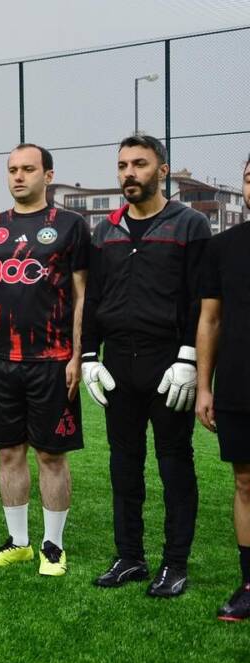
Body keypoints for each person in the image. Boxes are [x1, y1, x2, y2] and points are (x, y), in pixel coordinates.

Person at [82, 133, 210, 597]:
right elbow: (94, 297)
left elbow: (201, 298)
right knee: (124, 463)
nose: (128, 173)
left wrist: (189, 358)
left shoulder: (189, 224)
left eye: (139, 164)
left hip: (168, 364)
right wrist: (89, 356)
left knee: (174, 463)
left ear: (162, 170)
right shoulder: (105, 230)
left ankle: (174, 564)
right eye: (122, 165)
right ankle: (129, 557)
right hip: (118, 362)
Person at [0, 144, 89, 577]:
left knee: (51, 456)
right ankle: (18, 542)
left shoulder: (71, 226)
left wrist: (78, 355)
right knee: (8, 453)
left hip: (53, 360)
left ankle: (53, 546)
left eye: (28, 169)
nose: (18, 176)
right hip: (1, 361)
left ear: (48, 174)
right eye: (12, 170)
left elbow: (81, 296)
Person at [196, 155, 250, 621]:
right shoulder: (224, 247)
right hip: (239, 381)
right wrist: (204, 386)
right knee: (246, 480)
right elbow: (210, 319)